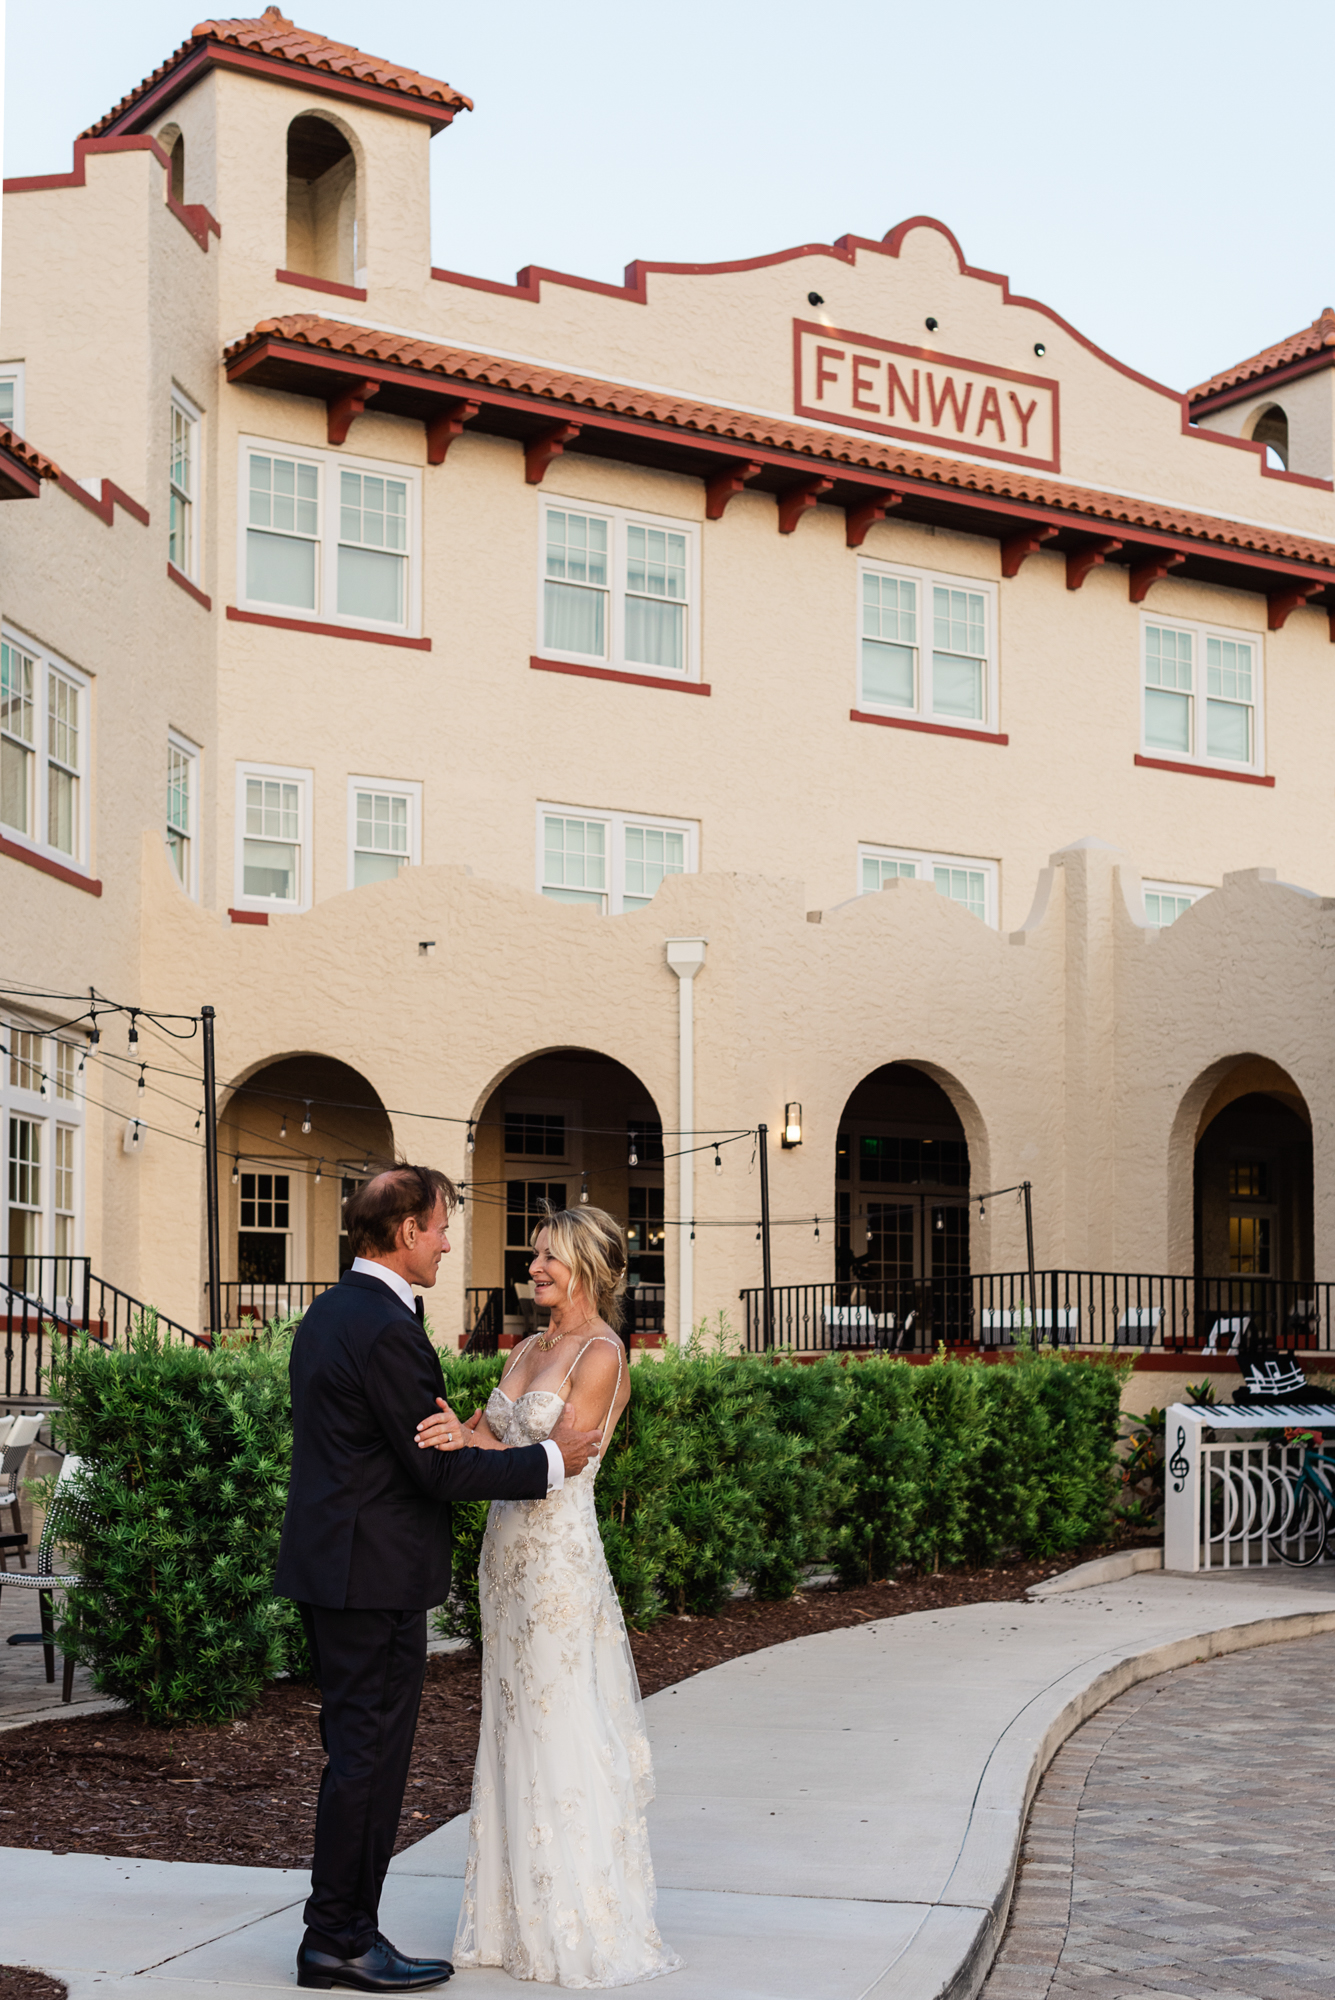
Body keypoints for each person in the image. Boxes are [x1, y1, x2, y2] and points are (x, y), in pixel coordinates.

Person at [275, 1166, 602, 1995]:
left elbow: (411, 1446)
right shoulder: (385, 1326)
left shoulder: (327, 1312)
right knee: (368, 1762)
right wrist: (549, 1462)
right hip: (371, 1578)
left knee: (355, 1755)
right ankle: (341, 1938)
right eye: (441, 1226)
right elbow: (433, 1472)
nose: (449, 1242)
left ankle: (338, 1930)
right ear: (405, 1232)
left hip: (335, 1568)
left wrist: (466, 1441)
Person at [416, 1205, 682, 1989]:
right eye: (533, 1257)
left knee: (560, 1723)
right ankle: (507, 1920)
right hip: (504, 1564)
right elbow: (491, 1436)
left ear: (588, 1270)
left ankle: (576, 1923)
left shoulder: (601, 1355)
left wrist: (484, 1445)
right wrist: (449, 1433)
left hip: (558, 1570)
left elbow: (562, 1460)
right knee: (510, 1724)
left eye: (548, 1260)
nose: (533, 1270)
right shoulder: (528, 1346)